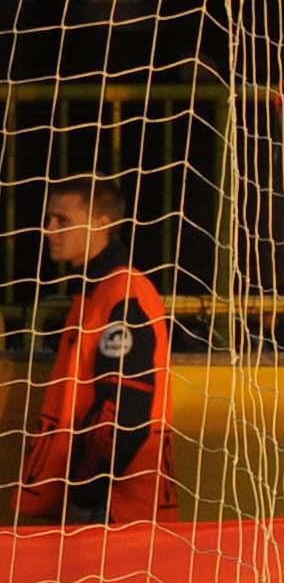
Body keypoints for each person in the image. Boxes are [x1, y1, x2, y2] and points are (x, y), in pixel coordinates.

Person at [13, 177, 172, 524]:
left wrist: (84, 492)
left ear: (103, 223)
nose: (49, 230)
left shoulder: (124, 294)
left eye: (62, 221)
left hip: (113, 509)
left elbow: (125, 412)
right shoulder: (92, 293)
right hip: (97, 502)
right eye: (48, 219)